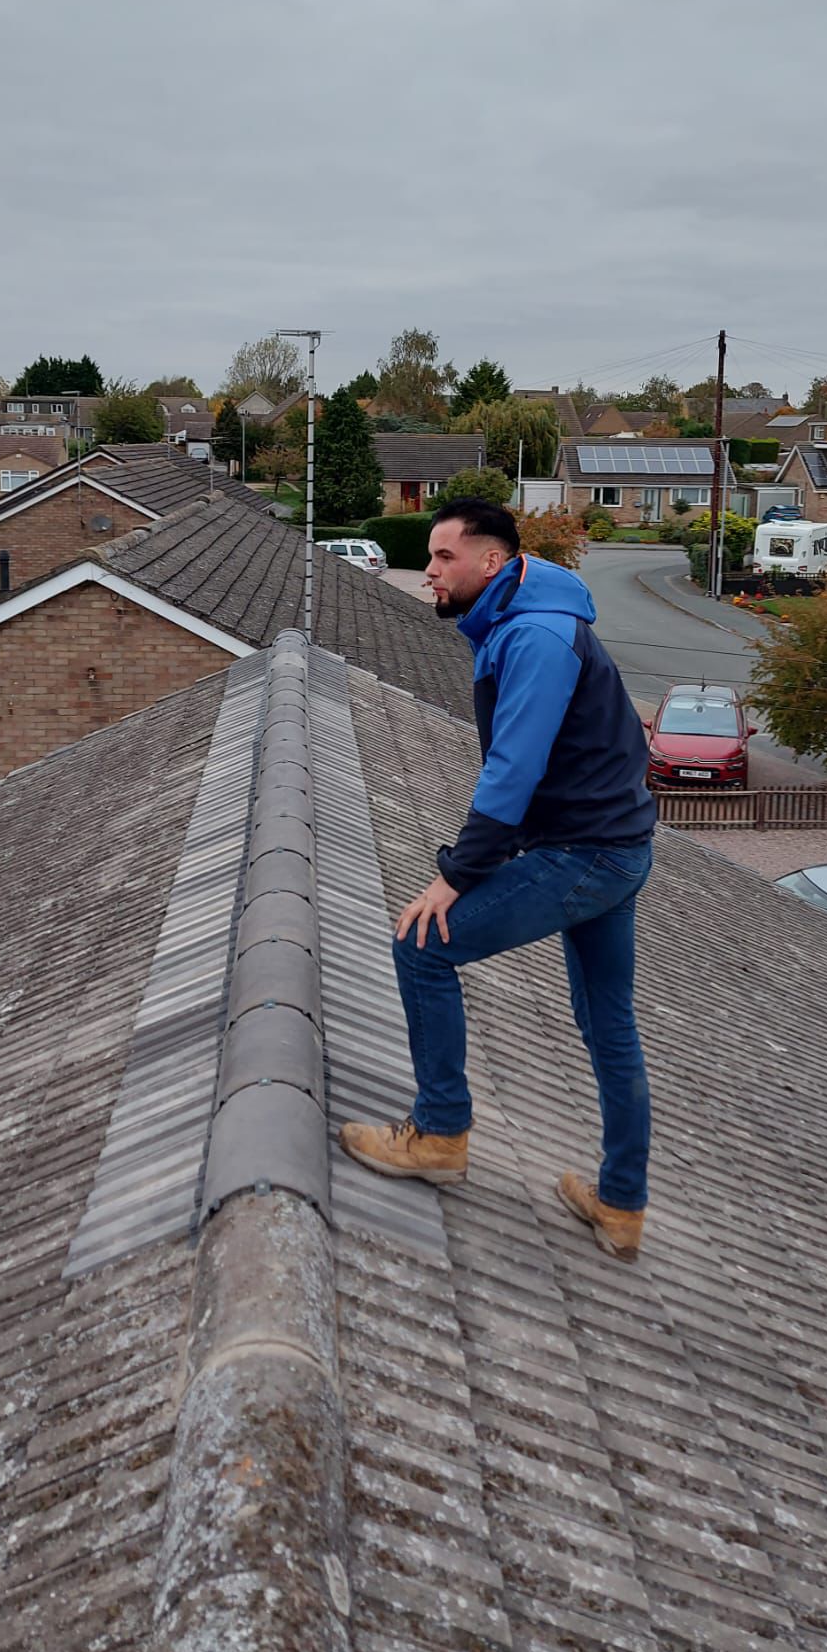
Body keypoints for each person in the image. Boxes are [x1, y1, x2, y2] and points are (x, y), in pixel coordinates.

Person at [340, 498, 656, 1261]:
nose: (428, 573)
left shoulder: (535, 636)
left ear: (491, 562)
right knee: (608, 1025)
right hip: (611, 845)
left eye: (442, 558)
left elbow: (513, 770)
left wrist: (457, 874)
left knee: (421, 945)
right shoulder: (522, 618)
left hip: (586, 854)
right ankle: (620, 1206)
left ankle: (439, 1133)